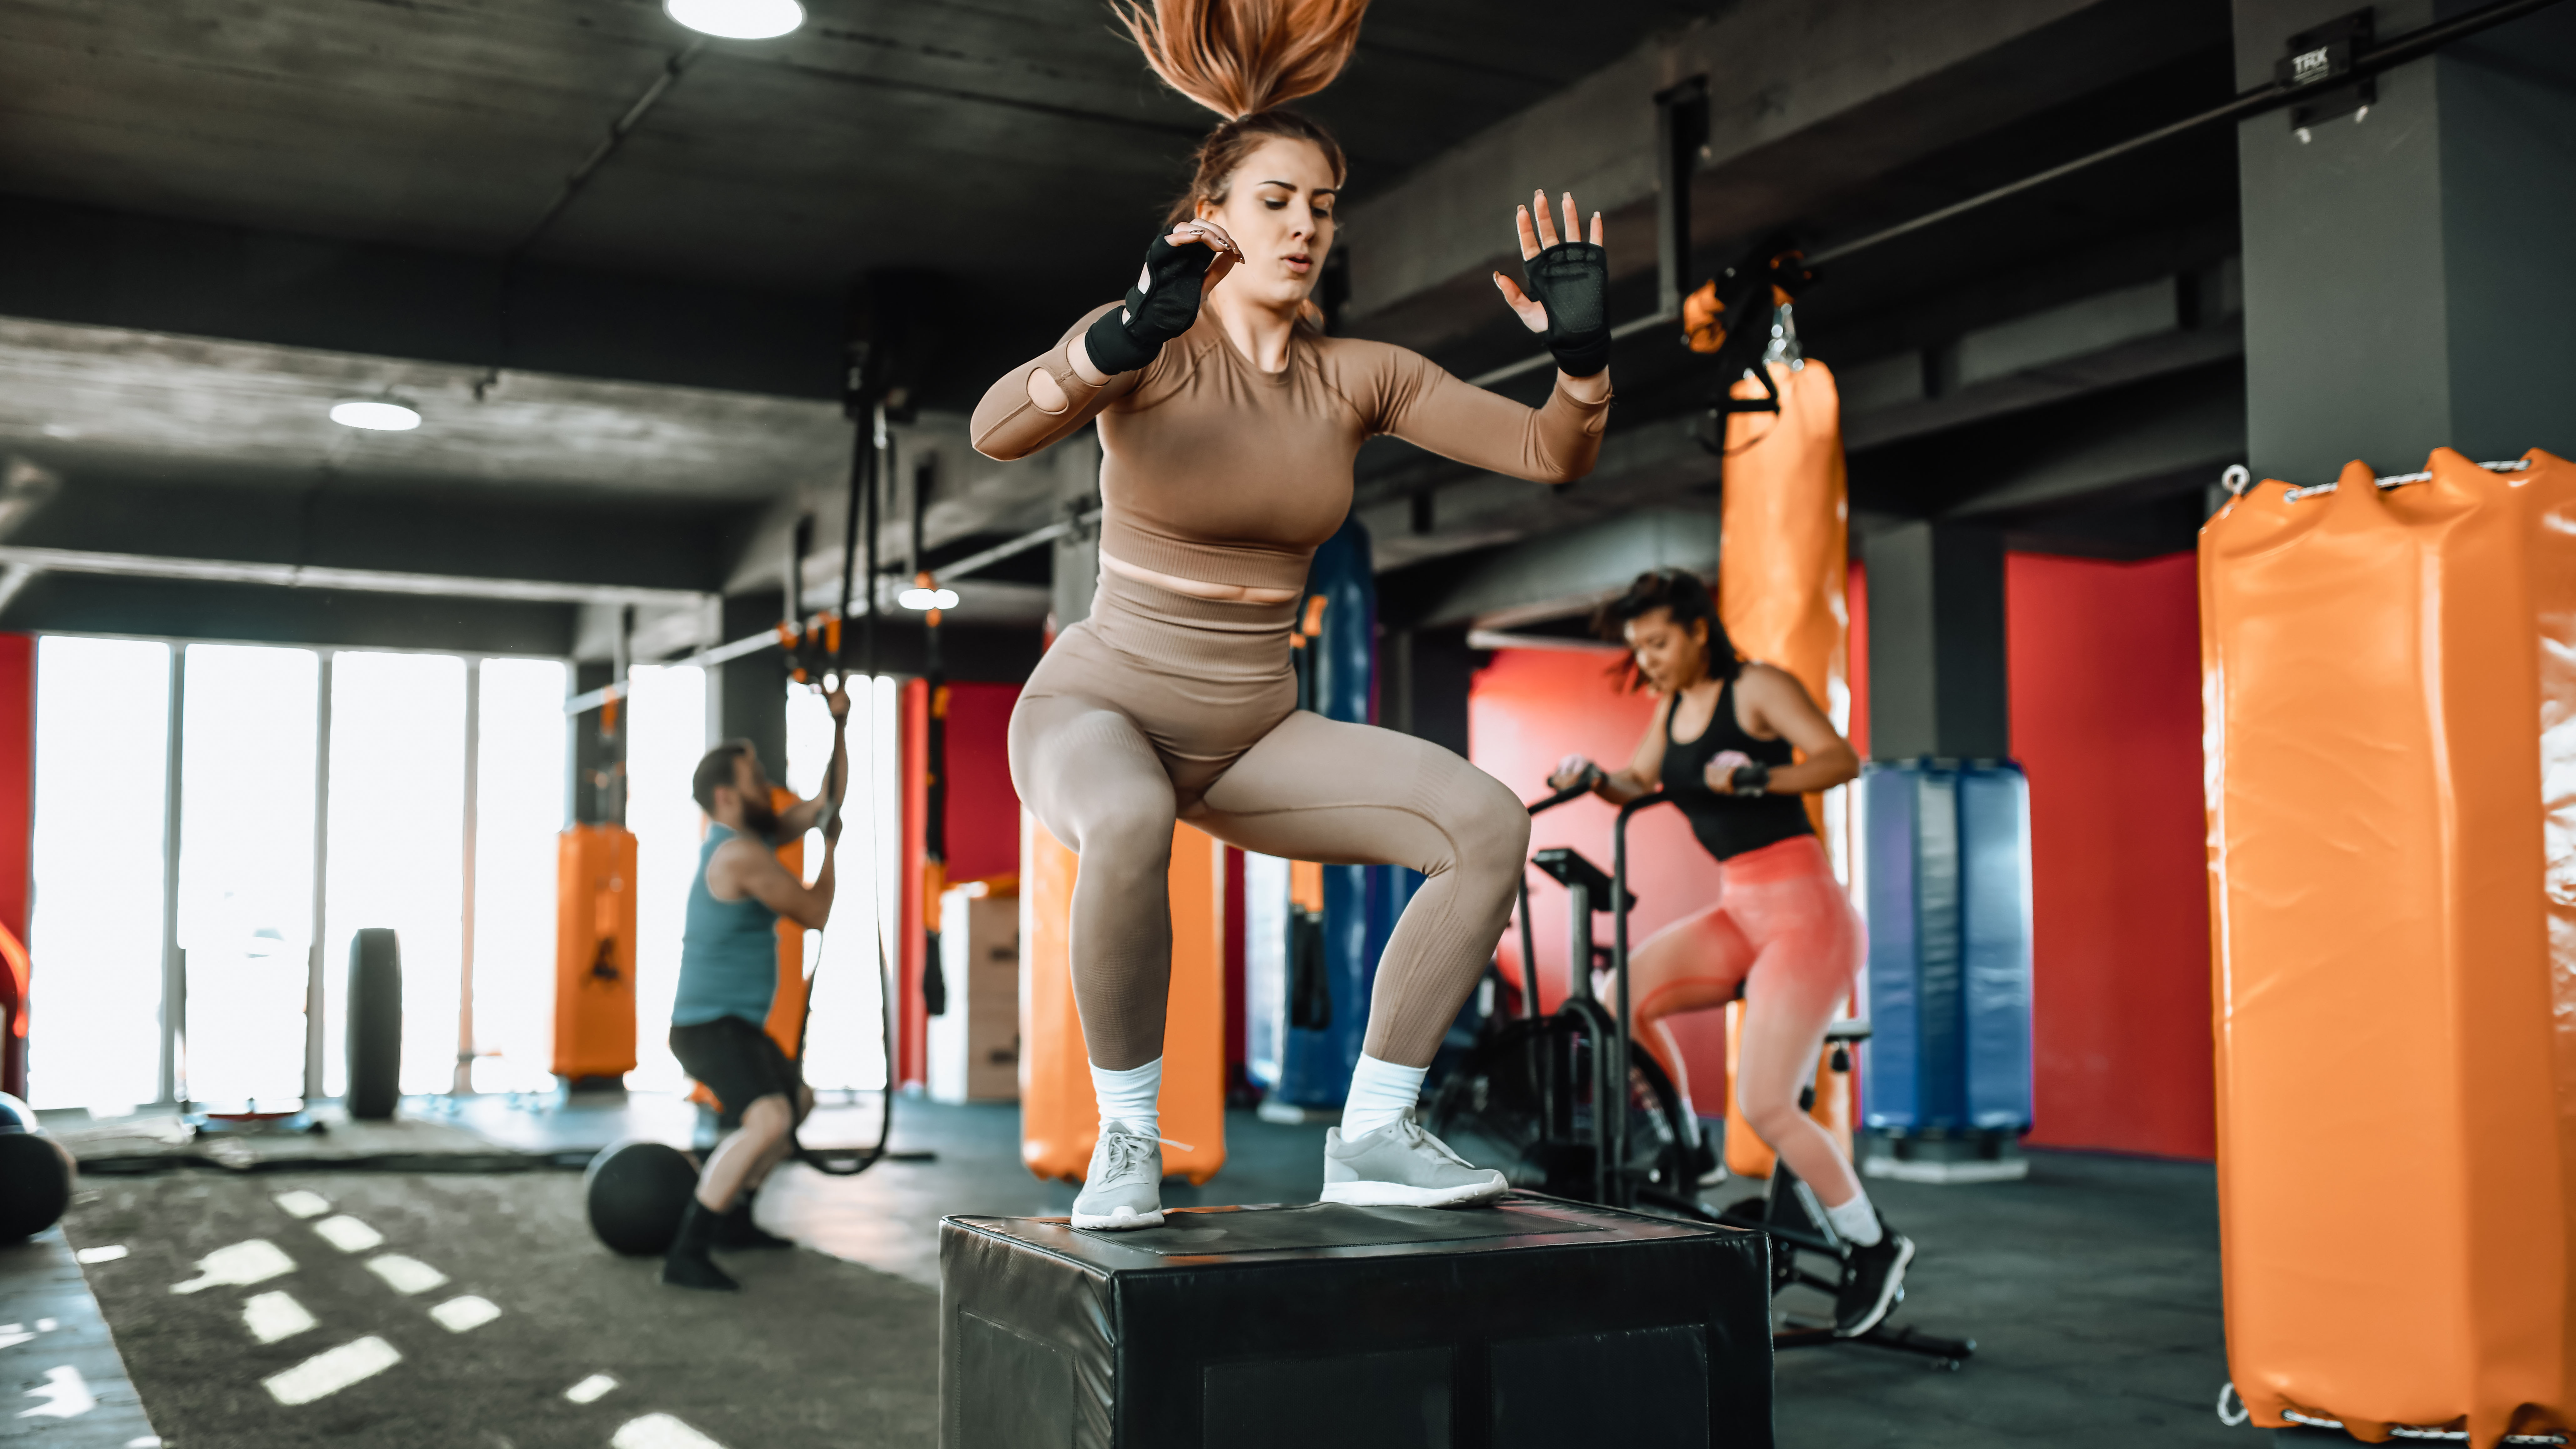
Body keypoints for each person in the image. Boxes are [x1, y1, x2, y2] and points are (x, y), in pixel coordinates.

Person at [972, 0, 1613, 1230]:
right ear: (1206, 216)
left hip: (1253, 729)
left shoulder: (1354, 377)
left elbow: (1549, 451)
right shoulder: (1147, 350)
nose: (1307, 226)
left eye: (1322, 204)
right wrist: (1115, 339)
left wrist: (1583, 363)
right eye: (1277, 200)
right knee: (1128, 813)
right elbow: (998, 431)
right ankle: (1128, 1137)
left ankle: (1376, 1129)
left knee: (1484, 822)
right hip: (1097, 704)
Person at [1545, 569, 1913, 1337]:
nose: (1646, 660)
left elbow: (1839, 760)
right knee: (1621, 998)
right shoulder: (1673, 706)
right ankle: (1689, 1149)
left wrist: (1757, 775)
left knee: (1767, 1104)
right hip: (1740, 907)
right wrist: (1591, 777)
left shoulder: (1757, 689)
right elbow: (1637, 781)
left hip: (1808, 915)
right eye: (1638, 648)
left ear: (1697, 631)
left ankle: (1875, 1245)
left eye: (1657, 643)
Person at [661, 686, 852, 1291]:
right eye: (755, 777)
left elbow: (826, 802)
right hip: (706, 1026)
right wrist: (831, 850)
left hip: (735, 1023)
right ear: (726, 795)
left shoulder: (759, 838)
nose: (766, 785)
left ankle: (737, 1218)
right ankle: (686, 1252)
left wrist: (841, 725)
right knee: (769, 1120)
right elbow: (815, 910)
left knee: (797, 1104)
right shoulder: (739, 854)